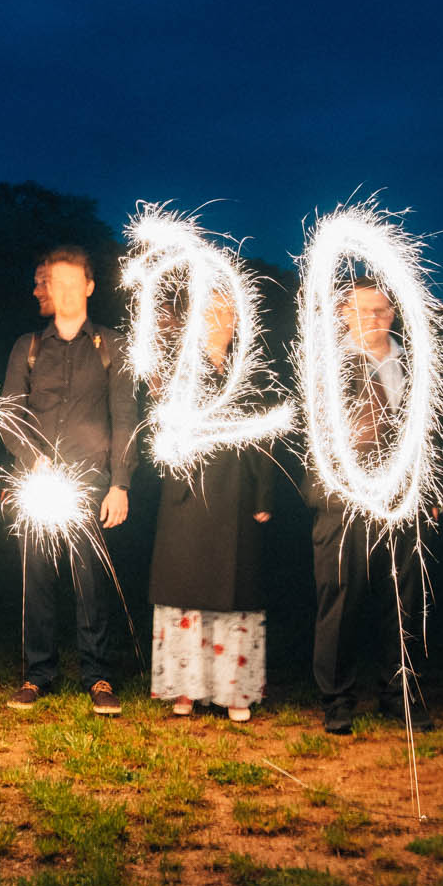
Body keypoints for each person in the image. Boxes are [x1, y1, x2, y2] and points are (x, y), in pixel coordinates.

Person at [1, 245, 139, 715]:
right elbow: (9, 416)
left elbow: (125, 416)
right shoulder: (28, 347)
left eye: (71, 282)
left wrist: (120, 483)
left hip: (90, 484)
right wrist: (31, 458)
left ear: (89, 287)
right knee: (36, 578)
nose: (62, 291)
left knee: (91, 581)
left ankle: (98, 675)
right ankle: (37, 674)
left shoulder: (111, 346)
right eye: (53, 283)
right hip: (37, 484)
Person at [305, 278, 427, 735]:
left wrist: (429, 493)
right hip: (343, 502)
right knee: (338, 601)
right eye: (360, 310)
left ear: (393, 314)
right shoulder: (326, 364)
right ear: (342, 315)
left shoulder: (415, 363)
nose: (372, 319)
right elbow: (313, 432)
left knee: (402, 602)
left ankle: (400, 696)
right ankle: (337, 700)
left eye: (381, 310)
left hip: (401, 502)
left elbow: (430, 432)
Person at [147, 291, 274, 721]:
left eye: (228, 313)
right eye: (212, 312)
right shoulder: (178, 369)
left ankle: (233, 692)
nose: (221, 320)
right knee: (186, 590)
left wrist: (263, 495)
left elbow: (263, 438)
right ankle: (185, 689)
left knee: (234, 591)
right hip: (187, 495)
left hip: (236, 496)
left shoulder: (248, 371)